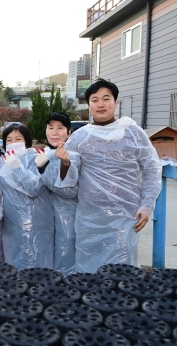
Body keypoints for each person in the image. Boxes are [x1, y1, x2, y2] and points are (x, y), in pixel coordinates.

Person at [57, 78, 162, 273]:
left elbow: (152, 169)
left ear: (116, 102)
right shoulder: (80, 137)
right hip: (90, 217)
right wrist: (64, 162)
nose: (101, 104)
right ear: (89, 105)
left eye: (106, 98)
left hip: (126, 215)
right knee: (89, 269)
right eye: (95, 100)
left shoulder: (134, 133)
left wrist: (147, 205)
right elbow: (68, 181)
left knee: (123, 269)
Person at [0, 123, 54, 270]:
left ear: (27, 142)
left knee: (38, 263)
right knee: (14, 262)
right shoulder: (3, 162)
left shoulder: (35, 158)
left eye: (18, 139)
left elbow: (34, 188)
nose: (13, 143)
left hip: (36, 222)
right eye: (9, 140)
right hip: (11, 222)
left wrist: (16, 167)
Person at [34, 112, 78, 276]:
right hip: (43, 217)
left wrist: (51, 167)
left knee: (65, 258)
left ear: (69, 132)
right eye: (50, 127)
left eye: (60, 128)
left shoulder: (73, 155)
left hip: (66, 218)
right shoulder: (41, 154)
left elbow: (68, 190)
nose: (54, 132)